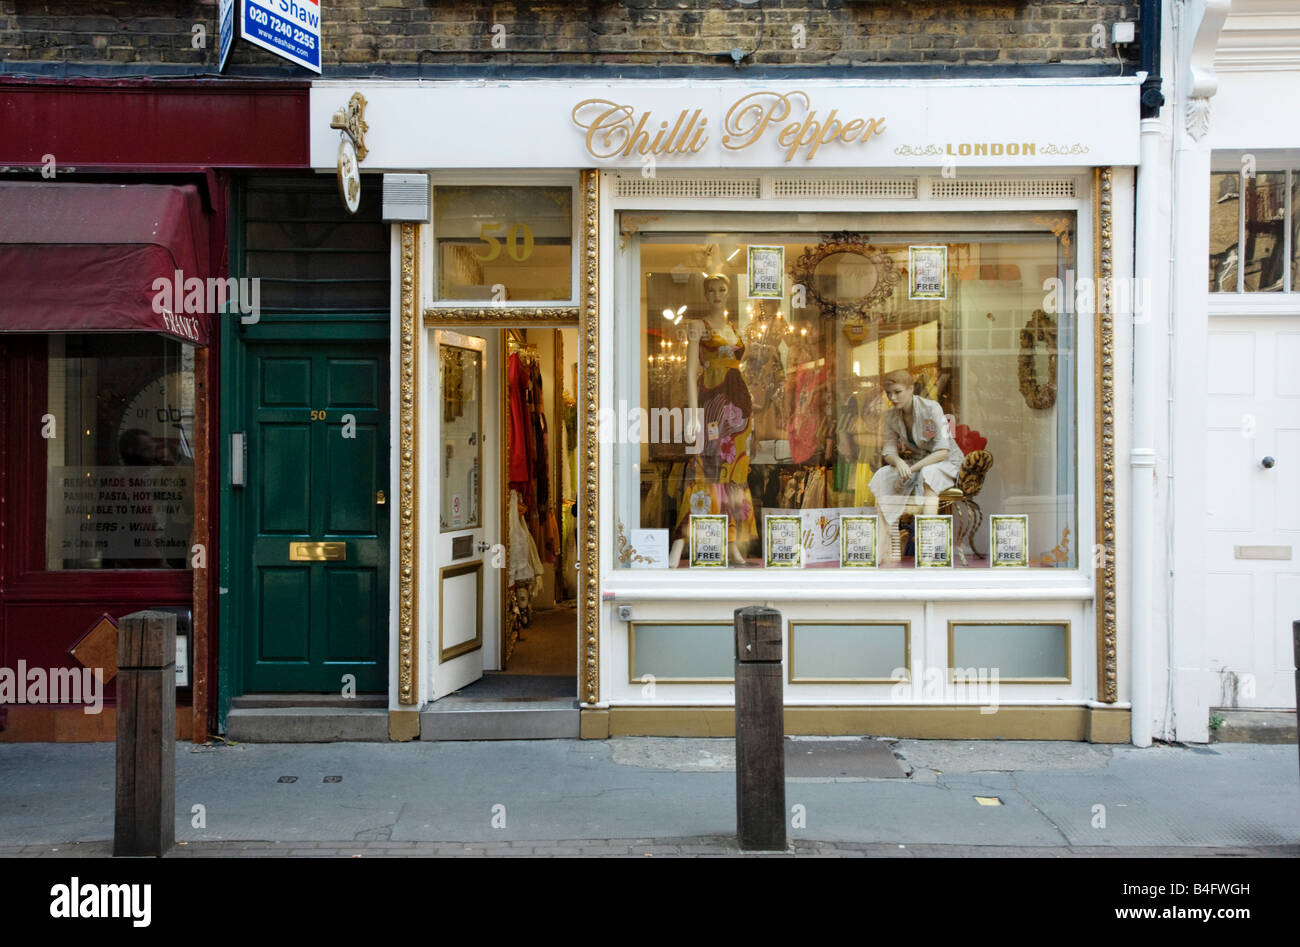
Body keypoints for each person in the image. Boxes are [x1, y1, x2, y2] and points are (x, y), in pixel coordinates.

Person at [669, 273, 757, 567]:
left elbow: (740, 369)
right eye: (711, 290)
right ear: (704, 294)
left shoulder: (735, 328)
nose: (717, 294)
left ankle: (732, 545)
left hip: (740, 409)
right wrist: (693, 413)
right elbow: (689, 370)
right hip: (712, 404)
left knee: (734, 476)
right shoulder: (699, 326)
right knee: (704, 471)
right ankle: (680, 542)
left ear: (728, 293)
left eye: (722, 289)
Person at [868, 368, 963, 562]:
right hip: (917, 462)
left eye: (898, 392)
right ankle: (886, 545)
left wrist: (911, 469)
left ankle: (928, 545)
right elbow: (888, 449)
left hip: (944, 462)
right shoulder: (890, 416)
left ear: (911, 389)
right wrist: (898, 462)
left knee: (929, 474)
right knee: (883, 475)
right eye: (889, 393)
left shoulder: (932, 408)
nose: (893, 398)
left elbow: (943, 450)